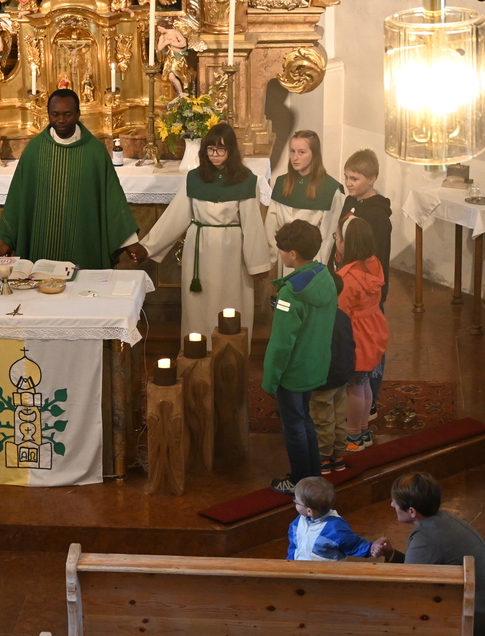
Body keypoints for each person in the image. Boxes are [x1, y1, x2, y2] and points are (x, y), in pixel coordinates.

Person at [134, 122, 270, 343]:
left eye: (221, 150)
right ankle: (197, 353)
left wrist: (258, 265)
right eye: (210, 149)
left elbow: (253, 226)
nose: (215, 155)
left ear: (231, 151)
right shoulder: (195, 178)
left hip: (232, 254)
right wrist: (147, 246)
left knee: (231, 301)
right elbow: (175, 217)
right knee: (199, 305)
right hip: (200, 249)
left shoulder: (245, 180)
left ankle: (230, 353)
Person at [0, 89, 143, 269]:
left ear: (78, 114)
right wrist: (7, 242)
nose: (61, 120)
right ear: (48, 114)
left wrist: (130, 242)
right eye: (55, 114)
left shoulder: (95, 151)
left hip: (84, 242)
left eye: (67, 114)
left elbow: (111, 199)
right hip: (43, 242)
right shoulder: (34, 151)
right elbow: (19, 198)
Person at [372, 473, 485, 636]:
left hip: (477, 634)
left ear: (411, 511)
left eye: (395, 501)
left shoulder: (426, 538)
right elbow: (417, 571)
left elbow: (406, 588)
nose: (392, 504)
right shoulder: (445, 520)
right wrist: (391, 554)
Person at [262, 220, 337, 494]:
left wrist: (271, 379)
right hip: (315, 363)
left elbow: (281, 344)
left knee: (294, 426)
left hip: (292, 372)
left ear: (293, 253)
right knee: (305, 420)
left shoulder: (290, 293)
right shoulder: (324, 276)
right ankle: (313, 477)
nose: (280, 253)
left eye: (282, 249)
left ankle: (298, 481)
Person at [340, 149, 392, 421]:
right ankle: (354, 395)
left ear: (372, 179)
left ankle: (371, 398)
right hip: (348, 280)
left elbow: (378, 255)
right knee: (353, 345)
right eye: (347, 177)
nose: (349, 183)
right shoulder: (350, 201)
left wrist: (374, 289)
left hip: (369, 288)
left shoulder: (378, 216)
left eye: (356, 178)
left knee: (370, 347)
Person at [334, 217, 388, 452]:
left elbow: (341, 311)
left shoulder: (346, 277)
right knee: (364, 383)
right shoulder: (374, 263)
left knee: (354, 386)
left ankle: (354, 436)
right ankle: (364, 430)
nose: (336, 241)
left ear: (347, 244)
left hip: (356, 336)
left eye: (338, 238)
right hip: (373, 330)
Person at [265, 130, 344, 271]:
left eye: (301, 152)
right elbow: (271, 226)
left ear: (314, 154)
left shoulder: (330, 189)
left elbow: (326, 238)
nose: (295, 157)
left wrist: (316, 270)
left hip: (310, 263)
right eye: (292, 151)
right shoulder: (282, 183)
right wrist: (269, 262)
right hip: (285, 260)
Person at [309, 272, 355, 474]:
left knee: (323, 419)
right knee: (339, 416)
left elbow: (315, 350)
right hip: (342, 375)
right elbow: (349, 345)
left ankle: (323, 458)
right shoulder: (342, 316)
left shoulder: (318, 319)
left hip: (323, 379)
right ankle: (338, 455)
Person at [288, 476, 372, 561]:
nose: (294, 502)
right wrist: (290, 563)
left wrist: (371, 549)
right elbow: (294, 547)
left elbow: (355, 545)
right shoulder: (298, 522)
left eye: (296, 502)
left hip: (327, 572)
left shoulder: (335, 528)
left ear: (309, 511)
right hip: (301, 570)